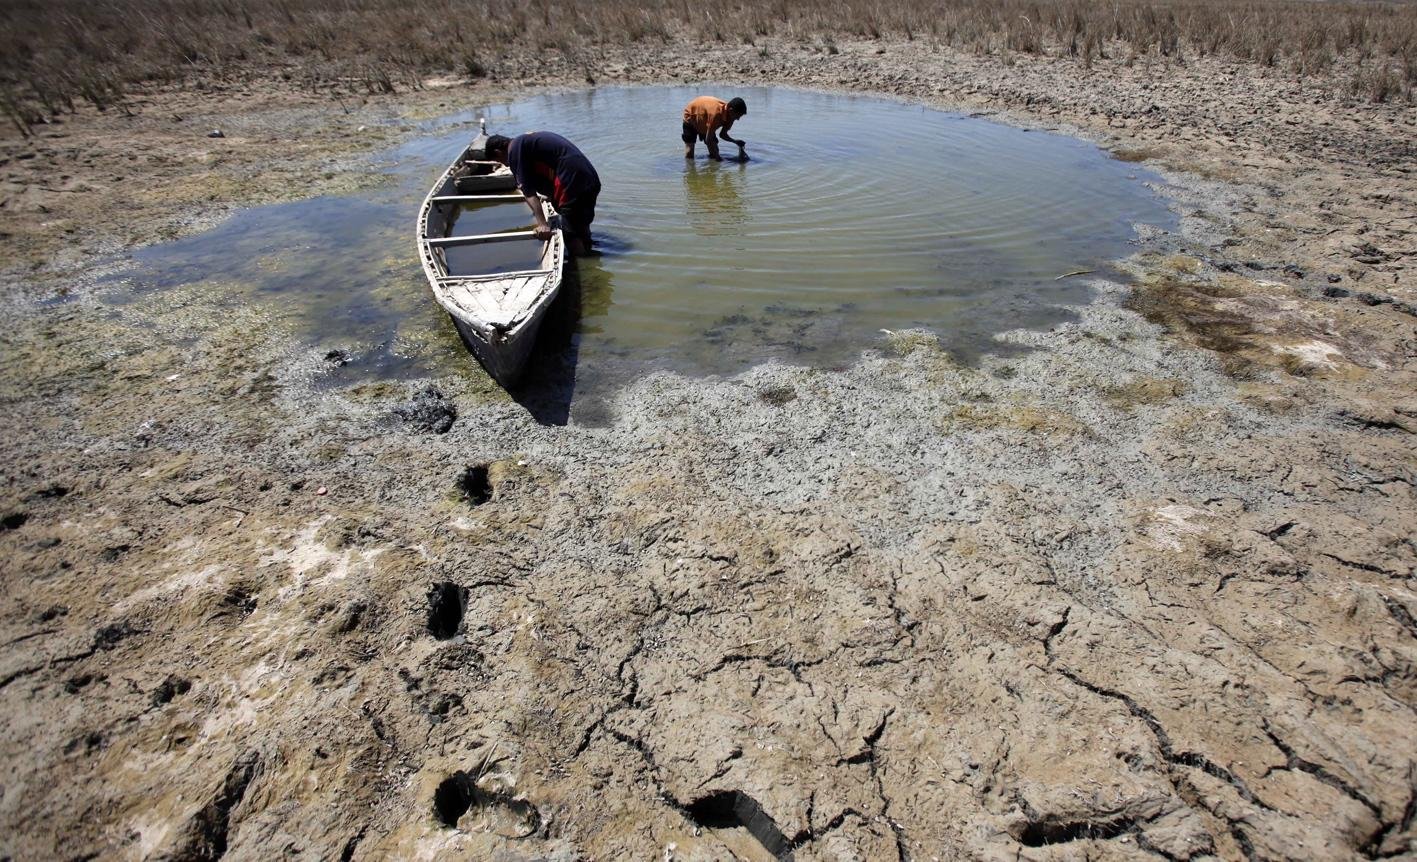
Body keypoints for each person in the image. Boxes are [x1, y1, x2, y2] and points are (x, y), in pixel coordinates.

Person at [484, 131, 601, 256]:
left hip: (571, 180)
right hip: (590, 177)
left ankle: (584, 268)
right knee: (581, 223)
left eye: (500, 160)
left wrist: (542, 224)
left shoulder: (514, 150)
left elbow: (528, 192)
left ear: (498, 152)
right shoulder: (526, 142)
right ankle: (590, 254)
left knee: (570, 234)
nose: (505, 164)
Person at [682, 96, 747, 161]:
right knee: (689, 153)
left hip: (705, 120)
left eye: (740, 116)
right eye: (737, 116)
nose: (738, 119)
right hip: (691, 116)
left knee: (714, 152)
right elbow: (708, 140)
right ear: (730, 110)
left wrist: (735, 141)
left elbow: (722, 135)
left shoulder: (731, 117)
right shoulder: (716, 114)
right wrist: (718, 157)